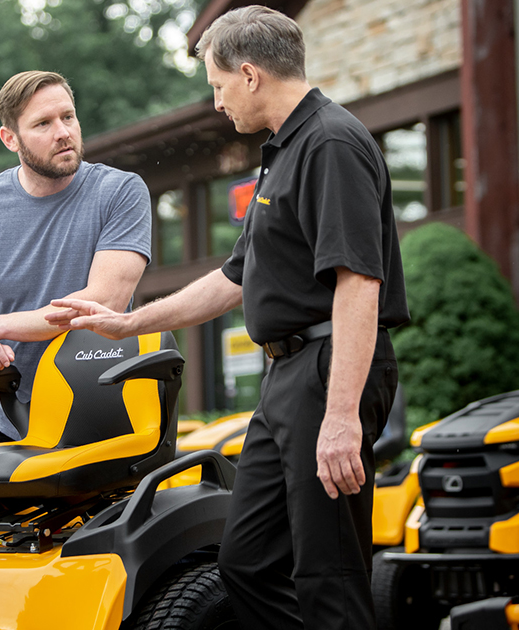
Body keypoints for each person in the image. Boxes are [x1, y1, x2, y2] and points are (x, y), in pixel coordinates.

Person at [46, 7, 409, 629]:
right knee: (248, 562)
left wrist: (342, 417)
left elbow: (358, 284)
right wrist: (128, 323)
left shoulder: (330, 144)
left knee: (328, 572)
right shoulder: (285, 151)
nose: (216, 103)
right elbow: (233, 278)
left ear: (248, 75)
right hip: (287, 380)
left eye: (216, 87)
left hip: (328, 375)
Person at [0, 71, 151, 446]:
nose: (63, 132)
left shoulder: (120, 191)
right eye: (43, 123)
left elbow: (102, 304)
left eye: (68, 117)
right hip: (11, 417)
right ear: (10, 139)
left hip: (101, 407)